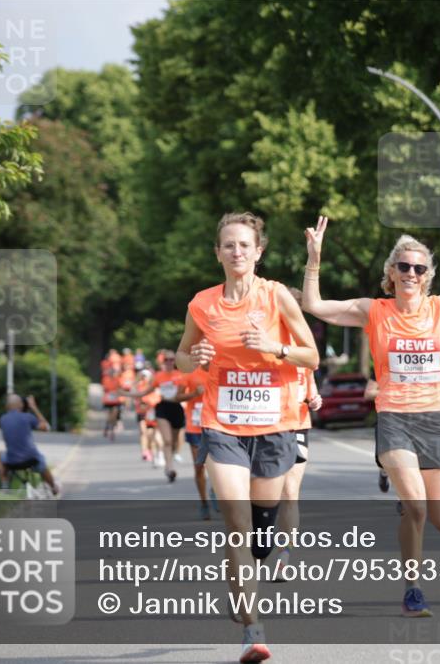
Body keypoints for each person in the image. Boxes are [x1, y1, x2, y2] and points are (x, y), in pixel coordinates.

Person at [301, 215, 440, 618]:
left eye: (419, 268)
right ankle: (413, 588)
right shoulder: (374, 310)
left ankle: (405, 492)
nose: (411, 273)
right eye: (404, 267)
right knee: (417, 507)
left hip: (435, 419)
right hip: (395, 416)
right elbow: (314, 305)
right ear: (391, 272)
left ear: (428, 275)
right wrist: (314, 258)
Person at [176, 211, 319, 662]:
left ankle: (251, 575)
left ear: (258, 252)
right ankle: (253, 629)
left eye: (244, 245)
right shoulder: (202, 304)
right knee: (236, 523)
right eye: (228, 245)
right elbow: (182, 358)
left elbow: (311, 356)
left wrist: (275, 347)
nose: (236, 252)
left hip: (275, 427)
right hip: (222, 426)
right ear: (217, 252)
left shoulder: (277, 296)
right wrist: (193, 356)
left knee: (261, 530)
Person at [274, 287, 324, 571]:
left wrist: (314, 398)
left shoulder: (303, 345)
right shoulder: (264, 340)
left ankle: (285, 554)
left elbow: (310, 383)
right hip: (263, 425)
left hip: (297, 423)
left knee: (290, 493)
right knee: (263, 496)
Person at [122, 351, 196, 483]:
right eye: (166, 360)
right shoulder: (159, 376)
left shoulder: (181, 375)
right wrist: (128, 394)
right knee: (166, 440)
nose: (169, 362)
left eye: (171, 360)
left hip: (177, 409)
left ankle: (170, 458)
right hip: (163, 408)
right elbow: (146, 391)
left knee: (173, 442)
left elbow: (188, 393)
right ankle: (169, 468)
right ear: (163, 362)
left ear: (175, 361)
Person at [0, 394, 59, 496]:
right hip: (31, 460)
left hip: (12, 461)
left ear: (7, 406)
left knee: (0, 454)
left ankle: (5, 486)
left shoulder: (2, 419)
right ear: (20, 405)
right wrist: (34, 408)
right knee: (41, 459)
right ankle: (53, 487)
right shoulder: (27, 417)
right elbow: (47, 428)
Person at [179, 367, 215, 519]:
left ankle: (217, 490)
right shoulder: (190, 372)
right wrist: (194, 394)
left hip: (216, 425)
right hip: (195, 425)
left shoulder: (221, 368)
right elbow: (178, 397)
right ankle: (204, 503)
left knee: (219, 466)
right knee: (199, 467)